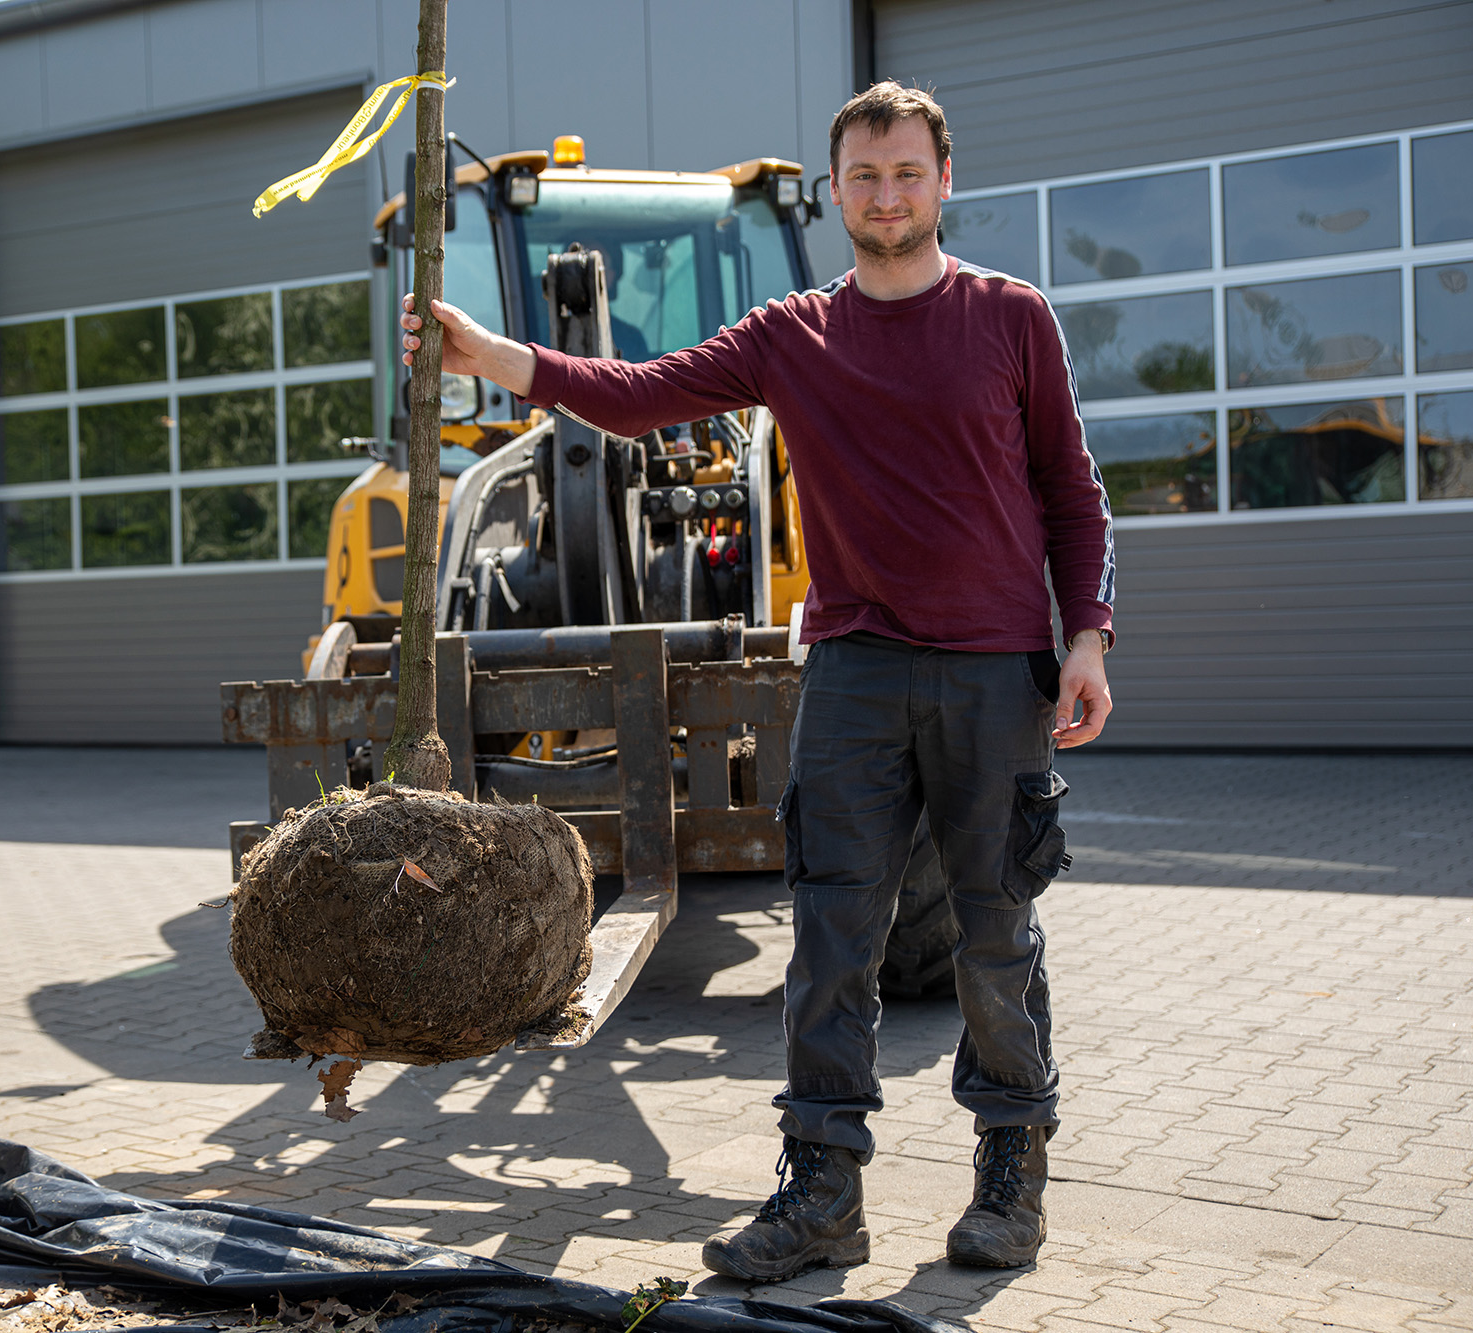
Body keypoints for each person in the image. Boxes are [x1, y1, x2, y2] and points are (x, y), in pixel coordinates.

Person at [403, 82, 1114, 1278]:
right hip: (847, 672)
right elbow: (636, 396)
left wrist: (1085, 635)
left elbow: (1069, 494)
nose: (885, 195)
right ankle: (820, 1190)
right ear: (836, 193)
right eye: (863, 176)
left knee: (996, 936)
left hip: (996, 677)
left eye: (905, 173)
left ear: (943, 181)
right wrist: (494, 354)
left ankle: (1010, 1176)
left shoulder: (1011, 319)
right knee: (830, 939)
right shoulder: (793, 335)